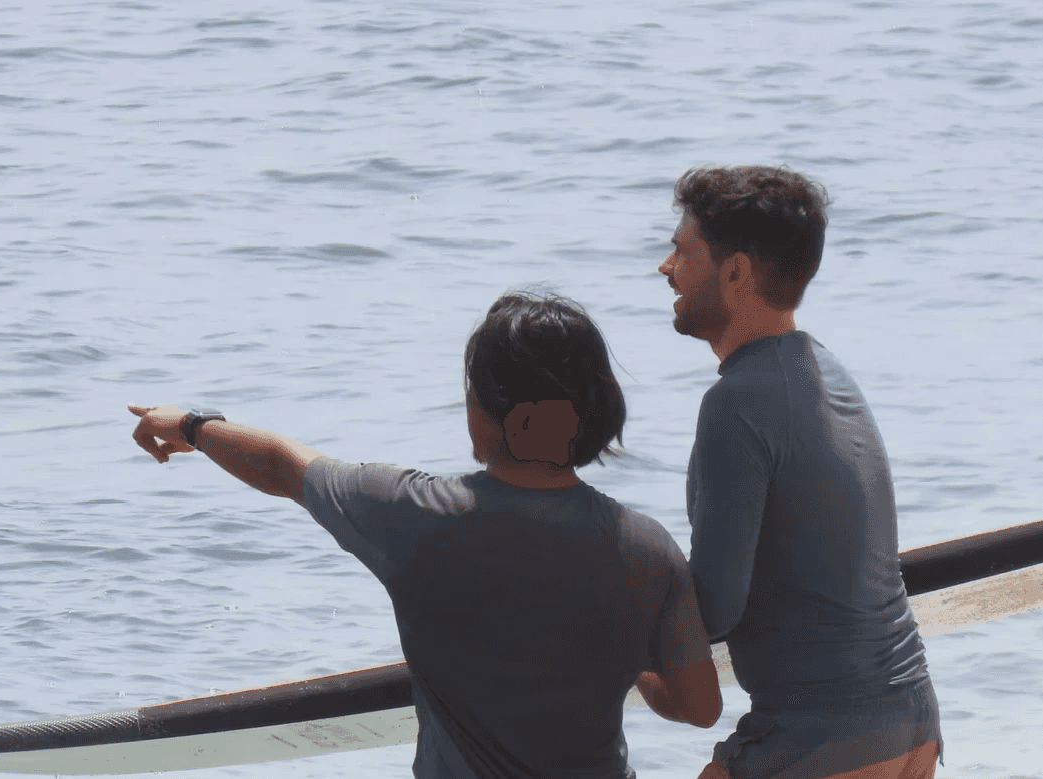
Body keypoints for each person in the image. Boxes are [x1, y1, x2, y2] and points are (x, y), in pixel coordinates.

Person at [129, 291, 722, 779]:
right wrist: (623, 662)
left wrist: (191, 425)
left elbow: (284, 465)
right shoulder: (647, 548)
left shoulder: (412, 513)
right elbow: (698, 706)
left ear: (486, 409)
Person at [656, 166, 943, 779]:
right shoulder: (827, 369)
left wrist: (611, 607)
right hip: (912, 724)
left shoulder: (736, 403)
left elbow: (713, 610)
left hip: (822, 740)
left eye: (681, 250)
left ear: (735, 273)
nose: (665, 267)